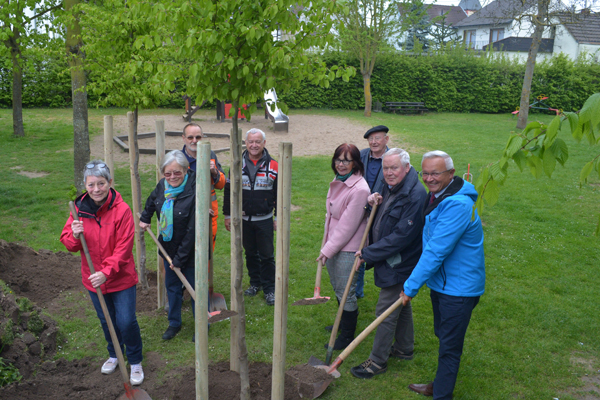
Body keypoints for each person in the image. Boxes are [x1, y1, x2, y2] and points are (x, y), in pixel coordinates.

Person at [402, 151, 485, 399]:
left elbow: (436, 251)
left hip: (459, 289)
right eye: (425, 173)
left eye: (435, 173)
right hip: (443, 283)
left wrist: (410, 286)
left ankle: (441, 394)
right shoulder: (440, 195)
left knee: (449, 347)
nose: (429, 178)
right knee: (443, 336)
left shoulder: (457, 205)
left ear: (451, 173)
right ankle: (440, 384)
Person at [60, 160, 144, 386]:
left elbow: (124, 248)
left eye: (101, 183)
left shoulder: (122, 210)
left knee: (126, 321)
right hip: (93, 280)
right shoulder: (77, 211)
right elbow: (69, 244)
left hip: (121, 278)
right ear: (85, 185)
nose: (96, 189)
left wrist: (106, 272)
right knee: (107, 321)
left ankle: (135, 360)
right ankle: (115, 354)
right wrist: (75, 235)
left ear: (110, 183)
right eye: (91, 184)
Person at [350, 148, 427, 379]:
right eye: (385, 168)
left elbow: (402, 237)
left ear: (406, 167)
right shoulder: (389, 184)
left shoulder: (415, 195)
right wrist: (372, 199)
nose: (389, 173)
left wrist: (367, 253)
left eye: (394, 168)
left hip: (400, 261)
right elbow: (379, 205)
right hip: (389, 256)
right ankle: (404, 348)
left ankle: (377, 361)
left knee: (385, 310)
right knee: (400, 302)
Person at [317, 143, 370, 350]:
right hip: (334, 243)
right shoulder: (338, 181)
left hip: (349, 248)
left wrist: (327, 250)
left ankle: (347, 335)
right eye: (338, 159)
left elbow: (348, 227)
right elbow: (332, 216)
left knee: (346, 291)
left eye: (346, 160)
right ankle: (341, 322)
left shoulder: (359, 189)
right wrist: (328, 244)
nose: (341, 164)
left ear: (355, 163)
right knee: (339, 288)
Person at [139, 150, 197, 341]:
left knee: (195, 288)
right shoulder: (163, 186)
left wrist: (179, 259)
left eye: (177, 172)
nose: (172, 177)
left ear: (186, 170)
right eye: (168, 173)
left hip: (193, 251)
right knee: (172, 287)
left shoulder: (195, 191)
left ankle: (201, 324)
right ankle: (174, 323)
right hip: (168, 248)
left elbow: (192, 231)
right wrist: (145, 218)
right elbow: (151, 201)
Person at [223, 128, 278, 306]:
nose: (254, 145)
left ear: (264, 143)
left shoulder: (274, 166)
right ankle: (255, 283)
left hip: (265, 219)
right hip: (244, 220)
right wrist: (228, 214)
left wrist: (277, 217)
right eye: (250, 141)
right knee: (250, 253)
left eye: (258, 141)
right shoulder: (236, 164)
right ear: (245, 143)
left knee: (267, 255)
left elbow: (279, 193)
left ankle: (270, 289)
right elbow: (228, 191)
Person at [355, 125, 390, 298]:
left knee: (380, 249)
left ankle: (390, 289)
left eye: (378, 138)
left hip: (382, 212)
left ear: (386, 140)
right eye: (371, 139)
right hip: (360, 211)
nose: (374, 142)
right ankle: (357, 290)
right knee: (358, 248)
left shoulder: (392, 158)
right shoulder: (361, 156)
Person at [181, 123, 226, 248]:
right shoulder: (178, 159)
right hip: (184, 214)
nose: (194, 141)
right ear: (183, 138)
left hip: (208, 214)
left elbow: (222, 184)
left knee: (206, 254)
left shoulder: (210, 155)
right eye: (190, 137)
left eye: (198, 137)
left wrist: (214, 171)